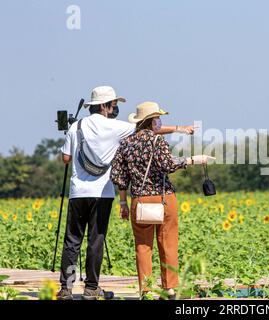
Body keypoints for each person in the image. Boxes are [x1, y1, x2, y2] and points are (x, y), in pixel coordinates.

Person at [57, 86, 195, 300]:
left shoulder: (77, 126)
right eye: (113, 105)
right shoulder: (115, 127)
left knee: (72, 240)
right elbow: (146, 130)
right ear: (104, 106)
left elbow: (65, 159)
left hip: (77, 192)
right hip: (102, 192)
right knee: (96, 240)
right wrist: (179, 128)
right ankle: (91, 287)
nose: (115, 109)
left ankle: (66, 288)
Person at [110, 101, 213, 300]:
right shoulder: (157, 142)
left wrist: (123, 203)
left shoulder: (126, 144)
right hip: (164, 198)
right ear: (151, 121)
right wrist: (193, 160)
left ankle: (146, 291)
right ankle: (170, 289)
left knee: (142, 246)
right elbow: (167, 165)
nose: (160, 121)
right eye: (158, 118)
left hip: (139, 200)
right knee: (168, 243)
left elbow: (119, 177)